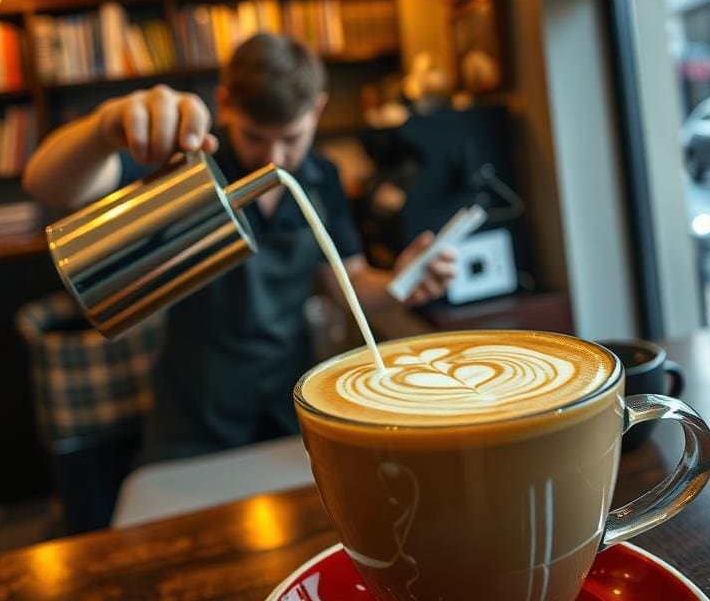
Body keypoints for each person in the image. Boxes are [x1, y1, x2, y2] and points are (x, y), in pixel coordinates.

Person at [23, 33, 455, 464]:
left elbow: (347, 283)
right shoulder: (186, 161)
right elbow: (48, 184)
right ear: (225, 104)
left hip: (291, 394)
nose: (274, 157)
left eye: (290, 138)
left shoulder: (322, 177)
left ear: (317, 110)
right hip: (197, 404)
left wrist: (402, 282)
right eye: (255, 136)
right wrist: (105, 128)